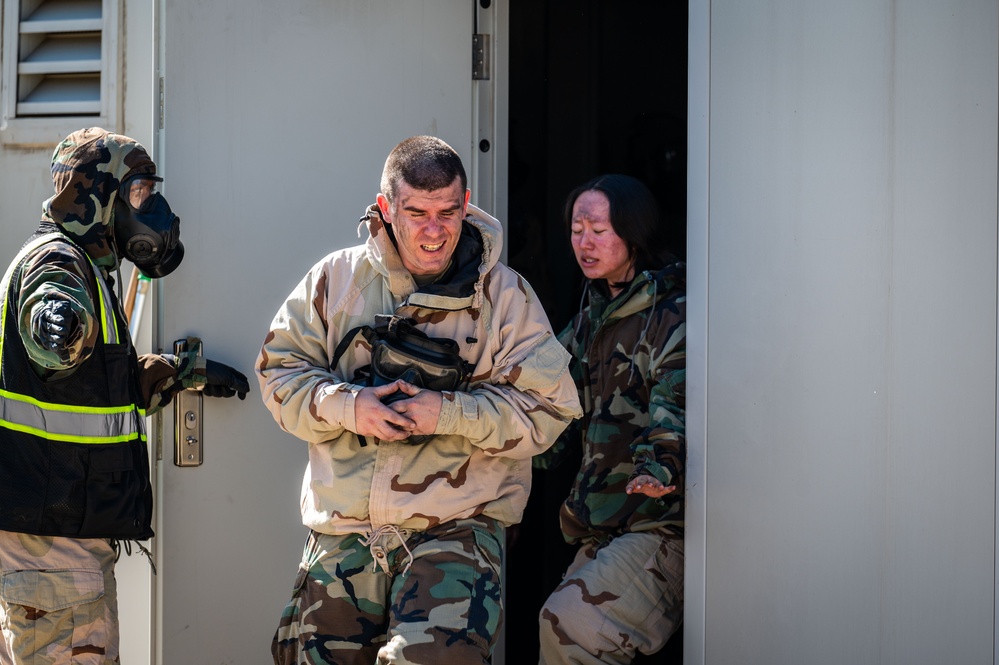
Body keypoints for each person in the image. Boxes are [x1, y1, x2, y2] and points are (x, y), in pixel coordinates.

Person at [257, 135, 581, 665]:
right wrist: (350, 406)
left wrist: (449, 413)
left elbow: (550, 412)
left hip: (455, 528)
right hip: (344, 531)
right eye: (417, 213)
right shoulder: (335, 280)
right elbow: (278, 375)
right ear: (386, 208)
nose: (435, 231)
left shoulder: (505, 297)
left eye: (448, 213)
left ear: (466, 202)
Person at [0, 127, 250, 665]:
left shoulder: (86, 265)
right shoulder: (59, 264)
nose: (151, 207)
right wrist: (60, 324)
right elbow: (55, 337)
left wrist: (183, 373)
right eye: (138, 192)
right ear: (99, 194)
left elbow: (89, 393)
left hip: (54, 542)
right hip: (54, 548)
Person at [535, 174, 685, 665]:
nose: (584, 242)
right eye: (577, 229)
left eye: (598, 229)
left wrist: (658, 466)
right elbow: (541, 396)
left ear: (634, 231)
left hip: (663, 524)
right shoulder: (593, 314)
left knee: (569, 628)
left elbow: (677, 405)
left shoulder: (674, 312)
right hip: (604, 524)